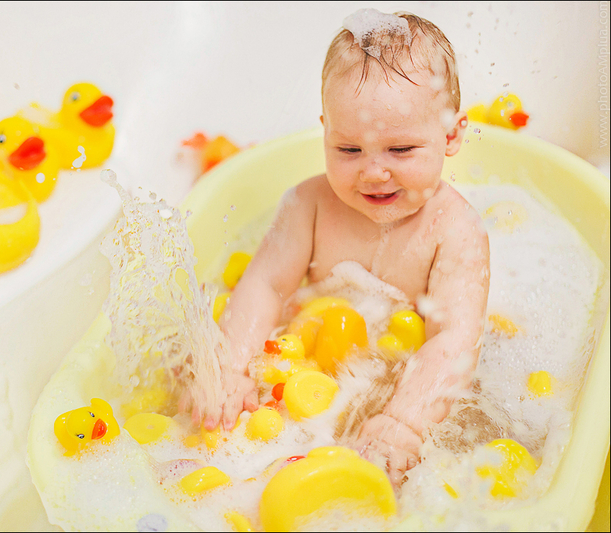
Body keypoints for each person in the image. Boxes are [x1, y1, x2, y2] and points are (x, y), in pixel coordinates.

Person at [185, 10, 490, 486]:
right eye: (349, 150)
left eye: (401, 150)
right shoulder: (308, 204)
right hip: (306, 367)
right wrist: (231, 365)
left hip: (399, 384)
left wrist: (403, 422)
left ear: (450, 135)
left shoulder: (456, 230)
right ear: (325, 130)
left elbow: (454, 340)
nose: (373, 172)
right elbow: (265, 284)